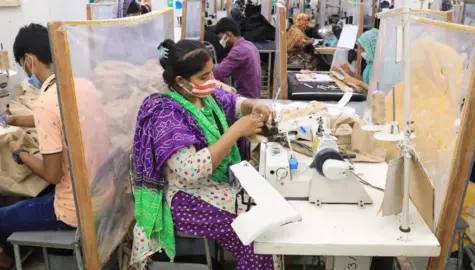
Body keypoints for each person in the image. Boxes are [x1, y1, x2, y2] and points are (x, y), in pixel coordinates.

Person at [130, 39, 281, 269]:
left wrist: (252, 105)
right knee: (255, 237)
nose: (211, 81)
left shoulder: (204, 96)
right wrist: (237, 130)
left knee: (265, 221)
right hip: (185, 198)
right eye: (204, 76)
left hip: (213, 186)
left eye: (211, 73)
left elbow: (231, 101)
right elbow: (190, 170)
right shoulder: (166, 115)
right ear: (180, 81)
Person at [0, 23, 108, 268]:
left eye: (22, 65)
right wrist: (14, 119)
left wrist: (21, 152)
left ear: (29, 60)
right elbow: (59, 115)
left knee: (3, 216)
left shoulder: (46, 103)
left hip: (73, 211)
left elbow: (53, 173)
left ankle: (7, 260)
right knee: (27, 202)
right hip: (100, 191)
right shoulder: (82, 86)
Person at [213, 17, 262, 99]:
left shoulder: (238, 51)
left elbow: (218, 72)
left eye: (220, 38)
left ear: (228, 34)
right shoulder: (249, 45)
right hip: (254, 93)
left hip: (245, 96)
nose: (220, 41)